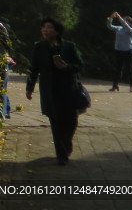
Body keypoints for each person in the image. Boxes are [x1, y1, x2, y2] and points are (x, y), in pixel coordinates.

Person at [25, 17, 85, 165]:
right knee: (55, 122)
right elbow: (34, 69)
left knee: (71, 121)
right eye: (43, 27)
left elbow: (80, 65)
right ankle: (61, 155)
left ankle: (66, 143)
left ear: (57, 31)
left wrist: (67, 67)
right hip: (50, 91)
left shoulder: (69, 46)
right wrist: (29, 88)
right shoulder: (39, 47)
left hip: (68, 89)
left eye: (49, 27)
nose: (45, 30)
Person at [106, 12, 132, 92]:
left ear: (130, 23)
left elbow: (125, 25)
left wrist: (119, 18)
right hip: (119, 51)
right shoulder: (119, 28)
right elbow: (109, 26)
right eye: (124, 20)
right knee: (118, 69)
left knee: (129, 69)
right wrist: (111, 18)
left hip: (129, 51)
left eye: (126, 20)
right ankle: (115, 85)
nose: (124, 22)